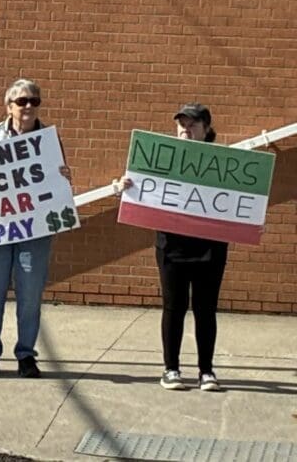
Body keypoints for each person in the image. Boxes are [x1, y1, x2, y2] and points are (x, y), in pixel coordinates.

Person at [113, 103, 227, 392]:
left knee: (205, 309)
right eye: (182, 123)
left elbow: (237, 201)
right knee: (173, 308)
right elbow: (142, 191)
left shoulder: (224, 163)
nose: (186, 128)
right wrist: (124, 188)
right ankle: (171, 369)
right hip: (171, 246)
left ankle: (206, 371)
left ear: (206, 129)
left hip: (210, 248)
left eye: (193, 124)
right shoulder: (159, 160)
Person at [0, 78, 71, 378]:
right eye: (22, 101)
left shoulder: (48, 140)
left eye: (34, 101)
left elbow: (57, 180)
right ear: (9, 106)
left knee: (29, 296)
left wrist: (64, 177)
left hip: (34, 230)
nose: (28, 107)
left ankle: (26, 355)